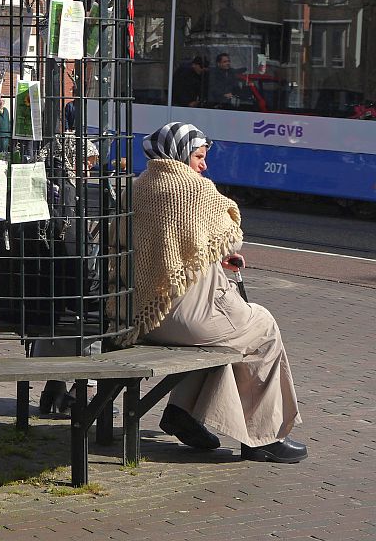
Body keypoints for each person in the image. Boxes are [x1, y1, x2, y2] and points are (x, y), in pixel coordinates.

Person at [121, 121, 307, 463]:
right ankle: (263, 437)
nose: (203, 165)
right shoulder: (196, 190)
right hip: (185, 319)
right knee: (262, 327)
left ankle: (183, 413)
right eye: (199, 155)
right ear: (180, 154)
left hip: (138, 317)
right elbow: (231, 234)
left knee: (226, 337)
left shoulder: (133, 188)